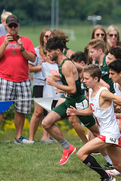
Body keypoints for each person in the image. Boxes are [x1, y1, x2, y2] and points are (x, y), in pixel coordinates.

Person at [66, 65, 121, 181]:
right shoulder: (91, 91)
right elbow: (92, 110)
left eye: (86, 78)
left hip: (110, 133)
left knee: (81, 153)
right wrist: (77, 112)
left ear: (96, 79)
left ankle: (106, 177)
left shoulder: (103, 92)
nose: (83, 81)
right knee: (119, 165)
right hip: (106, 133)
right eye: (83, 78)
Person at [41, 36, 99, 164]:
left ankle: (111, 160)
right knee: (46, 122)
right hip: (69, 101)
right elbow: (81, 70)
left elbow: (72, 89)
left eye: (49, 51)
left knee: (97, 133)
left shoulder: (66, 64)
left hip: (79, 102)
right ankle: (68, 148)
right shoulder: (63, 63)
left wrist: (54, 83)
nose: (47, 54)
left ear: (57, 51)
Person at [0, 14, 36, 145]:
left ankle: (18, 137)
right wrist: (4, 44)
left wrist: (22, 48)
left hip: (23, 79)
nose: (13, 28)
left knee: (21, 110)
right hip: (4, 78)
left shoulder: (26, 41)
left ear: (18, 26)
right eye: (10, 26)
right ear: (6, 26)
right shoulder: (0, 40)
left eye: (15, 25)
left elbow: (32, 58)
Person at [28, 28, 53, 143]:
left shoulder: (54, 52)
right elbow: (29, 68)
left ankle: (45, 137)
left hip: (50, 84)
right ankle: (31, 138)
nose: (48, 38)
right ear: (42, 38)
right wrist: (44, 66)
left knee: (49, 111)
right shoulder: (36, 51)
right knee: (38, 112)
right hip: (39, 84)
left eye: (50, 36)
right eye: (46, 36)